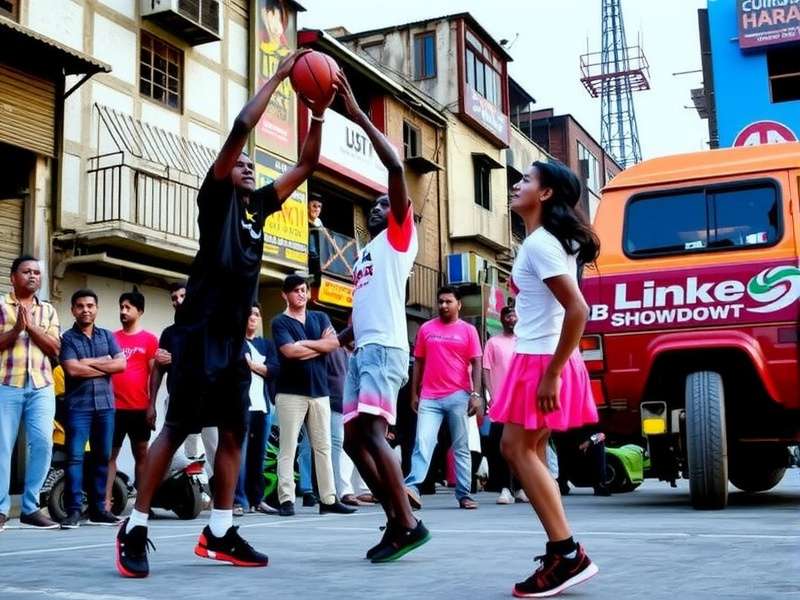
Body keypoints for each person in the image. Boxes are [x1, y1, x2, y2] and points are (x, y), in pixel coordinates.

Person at [115, 48, 331, 578]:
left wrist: (321, 112)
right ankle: (134, 527)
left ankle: (219, 531)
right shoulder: (214, 200)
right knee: (175, 429)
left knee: (233, 433)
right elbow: (240, 127)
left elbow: (306, 165)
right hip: (198, 336)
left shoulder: (259, 207)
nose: (248, 165)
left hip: (233, 341)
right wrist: (279, 76)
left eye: (251, 163)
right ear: (222, 170)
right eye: (240, 163)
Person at [489, 160, 601, 597]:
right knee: (530, 450)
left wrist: (552, 373)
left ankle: (568, 553)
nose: (516, 185)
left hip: (543, 360)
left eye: (526, 180)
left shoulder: (541, 244)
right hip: (542, 356)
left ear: (546, 193)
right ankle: (563, 552)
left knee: (514, 448)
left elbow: (578, 309)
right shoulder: (545, 241)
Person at [335, 72, 429, 563]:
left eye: (384, 203)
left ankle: (406, 521)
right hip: (363, 350)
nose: (378, 206)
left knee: (372, 432)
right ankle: (397, 518)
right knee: (353, 440)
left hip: (386, 349)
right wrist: (341, 335)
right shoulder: (366, 254)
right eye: (372, 205)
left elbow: (394, 166)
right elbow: (366, 306)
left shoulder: (398, 238)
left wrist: (356, 114)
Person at [271, 275, 355, 517]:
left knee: (323, 447)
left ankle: (328, 498)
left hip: (320, 392)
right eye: (295, 290)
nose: (301, 294)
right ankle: (286, 499)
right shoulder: (279, 322)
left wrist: (305, 344)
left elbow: (333, 344)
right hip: (290, 393)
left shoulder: (320, 317)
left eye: (303, 290)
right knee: (288, 448)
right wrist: (319, 346)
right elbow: (289, 352)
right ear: (284, 295)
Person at [404, 287, 483, 510]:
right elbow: (419, 362)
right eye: (440, 302)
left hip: (459, 395)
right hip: (429, 397)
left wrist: (476, 394)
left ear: (459, 304)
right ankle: (412, 488)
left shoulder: (468, 330)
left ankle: (464, 494)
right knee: (423, 442)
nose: (443, 305)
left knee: (461, 446)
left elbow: (477, 362)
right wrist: (414, 393)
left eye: (448, 301)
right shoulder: (426, 329)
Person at [0, 255, 61, 531]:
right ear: (13, 277)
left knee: (43, 444)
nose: (33, 276)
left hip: (41, 386)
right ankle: (1, 509)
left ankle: (30, 507)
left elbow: (55, 348)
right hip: (6, 383)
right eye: (27, 271)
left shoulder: (48, 310)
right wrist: (16, 330)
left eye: (37, 272)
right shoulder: (2, 306)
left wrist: (32, 328)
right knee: (3, 448)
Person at [60, 289, 127, 529]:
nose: (85, 310)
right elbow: (72, 370)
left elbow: (121, 364)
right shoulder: (67, 338)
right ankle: (73, 511)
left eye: (90, 305)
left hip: (106, 407)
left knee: (102, 457)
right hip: (78, 408)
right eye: (80, 306)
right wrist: (105, 364)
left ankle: (99, 510)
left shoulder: (107, 336)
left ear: (96, 308)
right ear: (73, 310)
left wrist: (88, 362)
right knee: (75, 458)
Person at [106, 289, 159, 511]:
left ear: (140, 311)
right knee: (110, 456)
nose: (123, 311)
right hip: (114, 408)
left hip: (139, 408)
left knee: (142, 455)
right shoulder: (111, 338)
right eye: (121, 307)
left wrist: (152, 405)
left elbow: (154, 375)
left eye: (128, 307)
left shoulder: (150, 340)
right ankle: (105, 504)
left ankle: (141, 505)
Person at [158, 282, 217, 472]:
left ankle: (220, 489)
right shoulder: (169, 333)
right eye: (174, 298)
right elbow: (159, 366)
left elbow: (210, 361)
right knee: (178, 452)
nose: (178, 301)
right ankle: (190, 487)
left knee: (215, 450)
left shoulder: (207, 328)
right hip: (178, 399)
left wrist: (176, 359)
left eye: (182, 296)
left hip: (207, 399)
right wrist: (151, 405)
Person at [233, 303, 280, 515]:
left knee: (258, 455)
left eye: (257, 314)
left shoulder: (266, 344)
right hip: (242, 405)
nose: (253, 317)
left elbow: (275, 369)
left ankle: (257, 499)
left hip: (263, 406)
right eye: (250, 313)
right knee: (240, 455)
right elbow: (236, 368)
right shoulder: (235, 343)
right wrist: (263, 369)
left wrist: (253, 366)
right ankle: (238, 500)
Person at [482, 306, 523, 505]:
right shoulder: (493, 343)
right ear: (502, 319)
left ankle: (521, 488)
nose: (511, 319)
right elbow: (486, 370)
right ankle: (505, 488)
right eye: (508, 315)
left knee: (521, 447)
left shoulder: (524, 341)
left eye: (514, 315)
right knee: (502, 446)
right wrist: (490, 395)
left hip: (521, 402)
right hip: (500, 404)